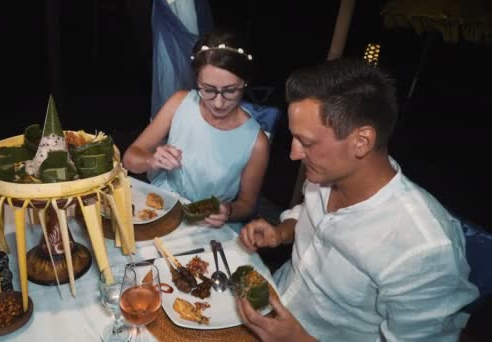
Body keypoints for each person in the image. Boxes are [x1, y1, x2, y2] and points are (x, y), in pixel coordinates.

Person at [237, 58, 479, 341]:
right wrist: (281, 232)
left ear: (361, 141)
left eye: (307, 142)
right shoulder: (324, 176)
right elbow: (309, 214)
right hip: (269, 302)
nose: (293, 154)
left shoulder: (424, 249)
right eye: (294, 138)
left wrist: (297, 339)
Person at [122, 29, 269, 230]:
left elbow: (247, 204)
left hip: (208, 223)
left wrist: (228, 210)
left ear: (245, 83)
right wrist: (151, 161)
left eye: (231, 91)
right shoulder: (180, 103)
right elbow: (130, 159)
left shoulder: (257, 142)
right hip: (163, 205)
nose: (218, 103)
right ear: (196, 81)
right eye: (208, 90)